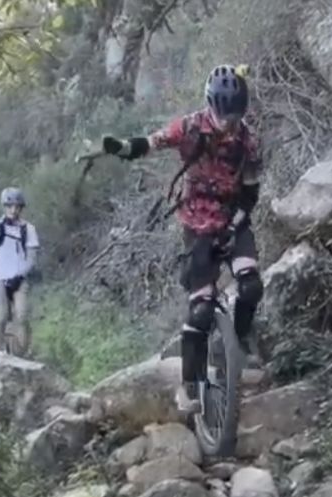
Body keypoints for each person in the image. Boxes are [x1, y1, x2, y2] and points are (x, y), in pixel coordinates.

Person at [101, 63, 264, 415]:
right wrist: (124, 148)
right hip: (198, 224)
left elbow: (251, 191)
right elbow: (153, 141)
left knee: (251, 286)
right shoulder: (191, 126)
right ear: (210, 106)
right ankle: (189, 386)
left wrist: (238, 221)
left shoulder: (247, 139)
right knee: (202, 309)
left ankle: (237, 348)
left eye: (234, 116)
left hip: (233, 219)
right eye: (223, 115)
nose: (228, 124)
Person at [0, 187, 40, 355]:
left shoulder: (28, 229)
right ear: (5, 207)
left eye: (17, 207)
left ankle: (21, 353)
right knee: (1, 317)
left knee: (22, 315)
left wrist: (20, 276)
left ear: (21, 208)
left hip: (19, 279)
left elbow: (32, 258)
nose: (13, 210)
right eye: (10, 206)